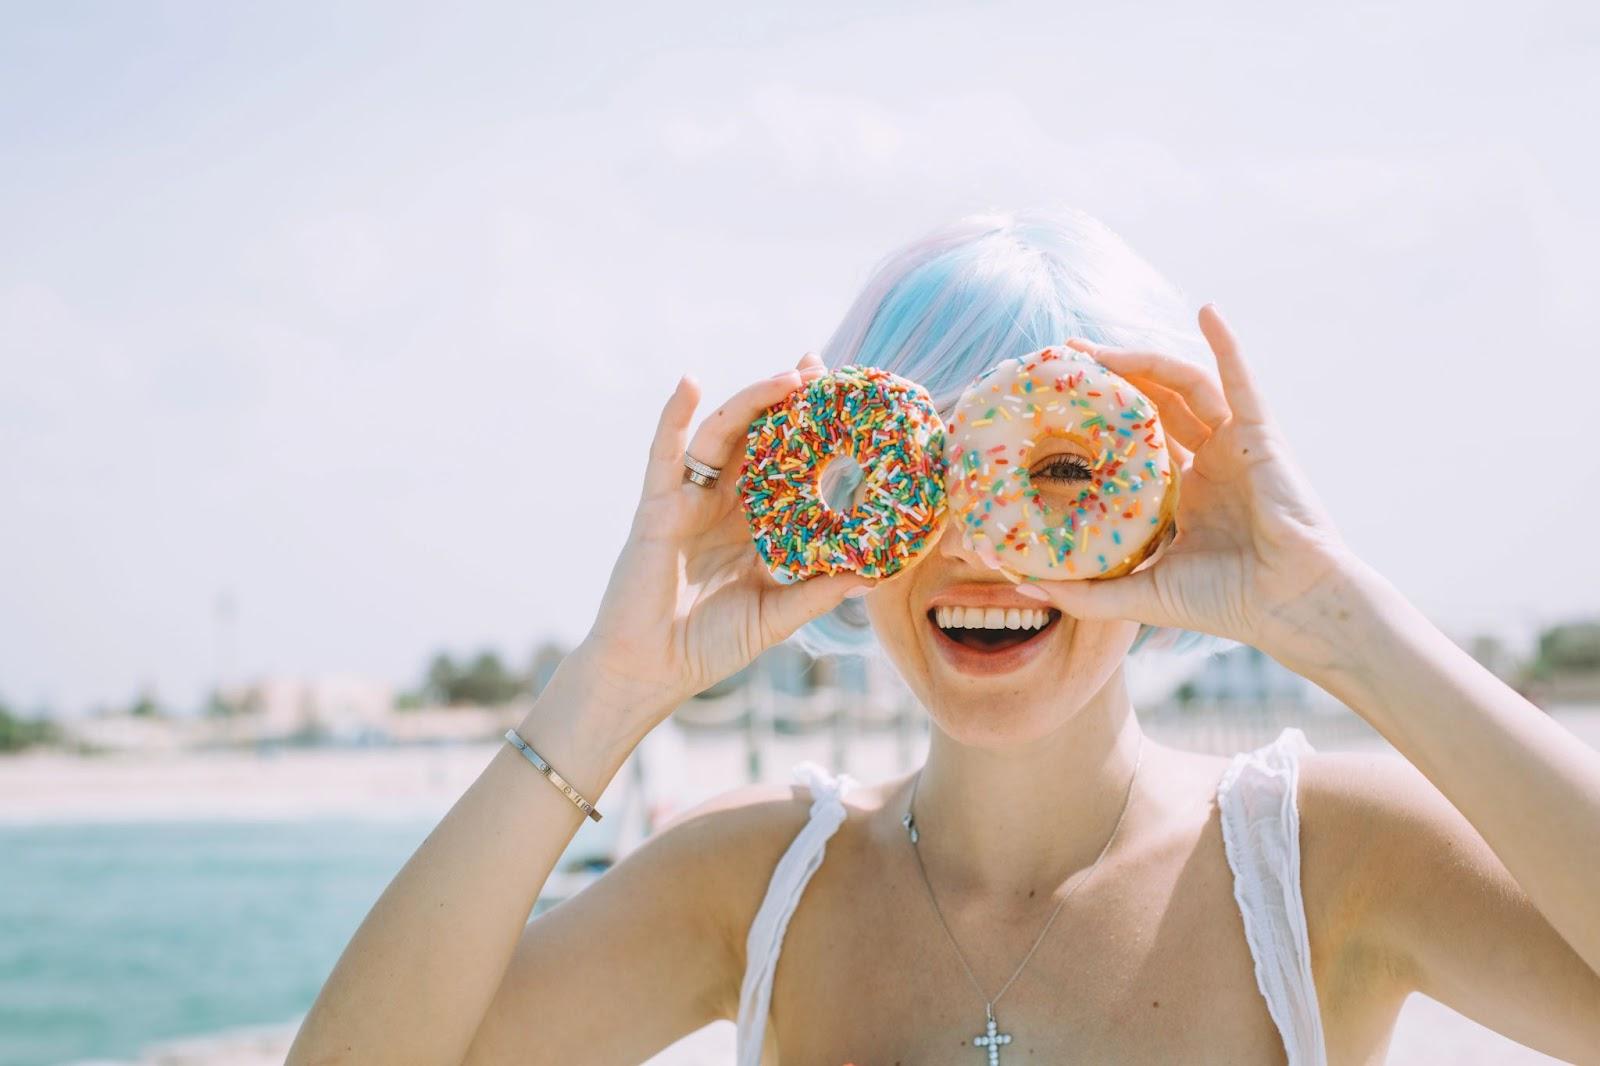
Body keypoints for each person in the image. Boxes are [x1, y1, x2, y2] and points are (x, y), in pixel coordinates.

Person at [288, 209, 1600, 1066]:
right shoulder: (752, 887)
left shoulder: (1327, 865)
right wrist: (612, 686)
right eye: (928, 483)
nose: (976, 549)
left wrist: (1338, 615)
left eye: (1056, 476)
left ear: (1158, 514)